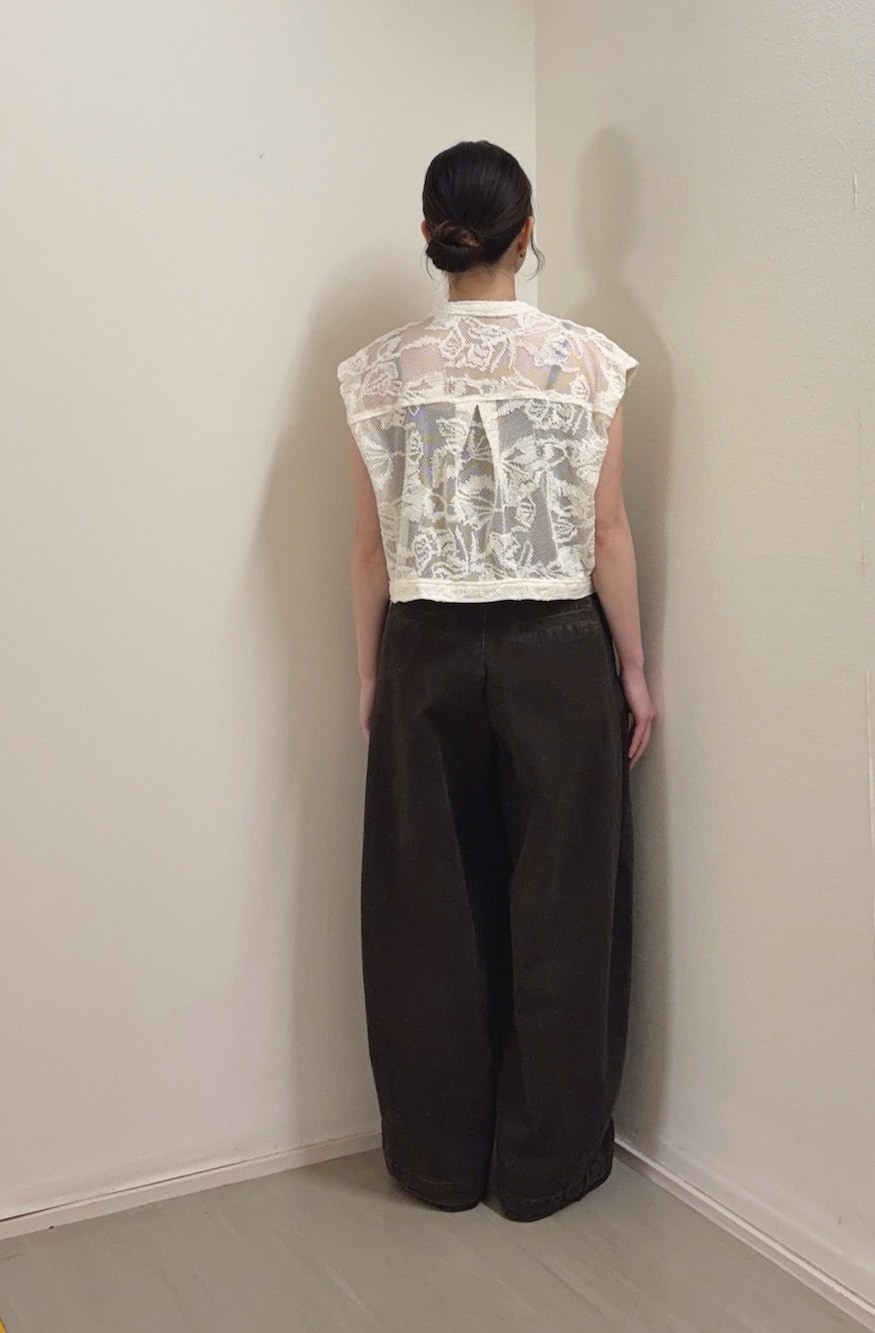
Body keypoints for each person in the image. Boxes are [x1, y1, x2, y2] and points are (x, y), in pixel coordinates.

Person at [337, 140, 654, 1223]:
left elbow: (369, 548)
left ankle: (437, 1162)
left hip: (424, 646)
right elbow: (607, 533)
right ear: (527, 234)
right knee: (564, 903)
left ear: (432, 235)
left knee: (426, 910)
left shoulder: (378, 372)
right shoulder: (588, 362)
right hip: (558, 651)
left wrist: (372, 674)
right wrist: (633, 670)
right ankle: (545, 1165)